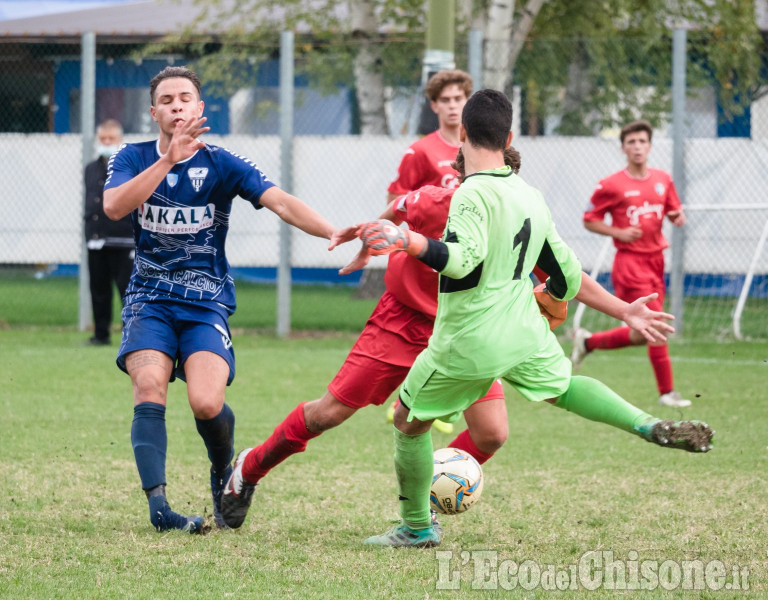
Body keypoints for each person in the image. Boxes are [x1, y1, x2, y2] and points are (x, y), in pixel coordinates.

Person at [220, 147, 711, 532]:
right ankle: (250, 467)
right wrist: (375, 231)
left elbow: (568, 273)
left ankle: (423, 499)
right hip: (404, 321)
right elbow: (401, 209)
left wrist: (623, 308)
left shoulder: (517, 208)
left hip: (469, 332)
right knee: (330, 412)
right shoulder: (441, 201)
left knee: (492, 433)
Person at [355, 90, 713, 548]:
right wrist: (624, 310)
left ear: (462, 134)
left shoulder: (469, 192)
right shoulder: (530, 196)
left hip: (468, 340)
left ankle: (417, 528)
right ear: (508, 138)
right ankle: (646, 424)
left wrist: (408, 241)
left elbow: (462, 260)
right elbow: (565, 275)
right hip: (525, 330)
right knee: (563, 387)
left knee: (408, 422)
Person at [102, 66, 352, 533]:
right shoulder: (131, 157)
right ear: (153, 111)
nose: (177, 106)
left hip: (204, 301)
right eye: (167, 100)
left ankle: (225, 477)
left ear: (200, 108)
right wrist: (167, 160)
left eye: (186, 98)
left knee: (205, 402)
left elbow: (280, 201)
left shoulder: (222, 162)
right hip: (149, 299)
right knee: (149, 386)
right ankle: (160, 509)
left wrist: (334, 231)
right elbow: (115, 207)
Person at [570, 120, 690, 408]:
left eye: (642, 141)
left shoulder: (663, 179)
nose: (637, 147)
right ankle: (667, 392)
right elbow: (590, 219)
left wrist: (677, 216)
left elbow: (674, 209)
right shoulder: (612, 185)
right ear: (623, 148)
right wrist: (618, 232)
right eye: (631, 142)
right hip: (630, 263)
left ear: (650, 146)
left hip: (655, 261)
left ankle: (587, 342)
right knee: (657, 324)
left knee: (640, 334)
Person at [384, 69, 475, 434]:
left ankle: (424, 401)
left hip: (467, 259)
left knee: (455, 334)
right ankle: (414, 401)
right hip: (428, 261)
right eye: (446, 100)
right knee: (436, 334)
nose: (453, 106)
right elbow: (396, 201)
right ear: (434, 105)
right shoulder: (421, 150)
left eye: (459, 99)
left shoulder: (477, 149)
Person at [83, 119, 134, 346]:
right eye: (102, 139)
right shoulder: (90, 169)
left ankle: (131, 335)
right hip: (96, 240)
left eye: (110, 139)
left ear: (119, 141)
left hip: (123, 240)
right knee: (99, 290)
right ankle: (101, 334)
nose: (106, 143)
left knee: (128, 291)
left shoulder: (129, 167)